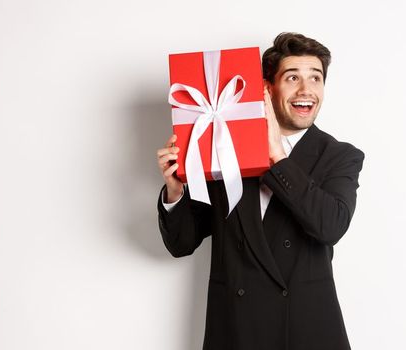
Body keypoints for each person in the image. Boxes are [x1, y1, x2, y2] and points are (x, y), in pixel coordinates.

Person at [155, 32, 364, 350]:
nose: (306, 90)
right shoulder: (224, 151)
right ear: (267, 89)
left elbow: (330, 225)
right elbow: (182, 243)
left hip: (305, 331)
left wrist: (277, 157)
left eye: (316, 78)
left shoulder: (339, 156)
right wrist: (175, 189)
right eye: (293, 77)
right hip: (237, 332)